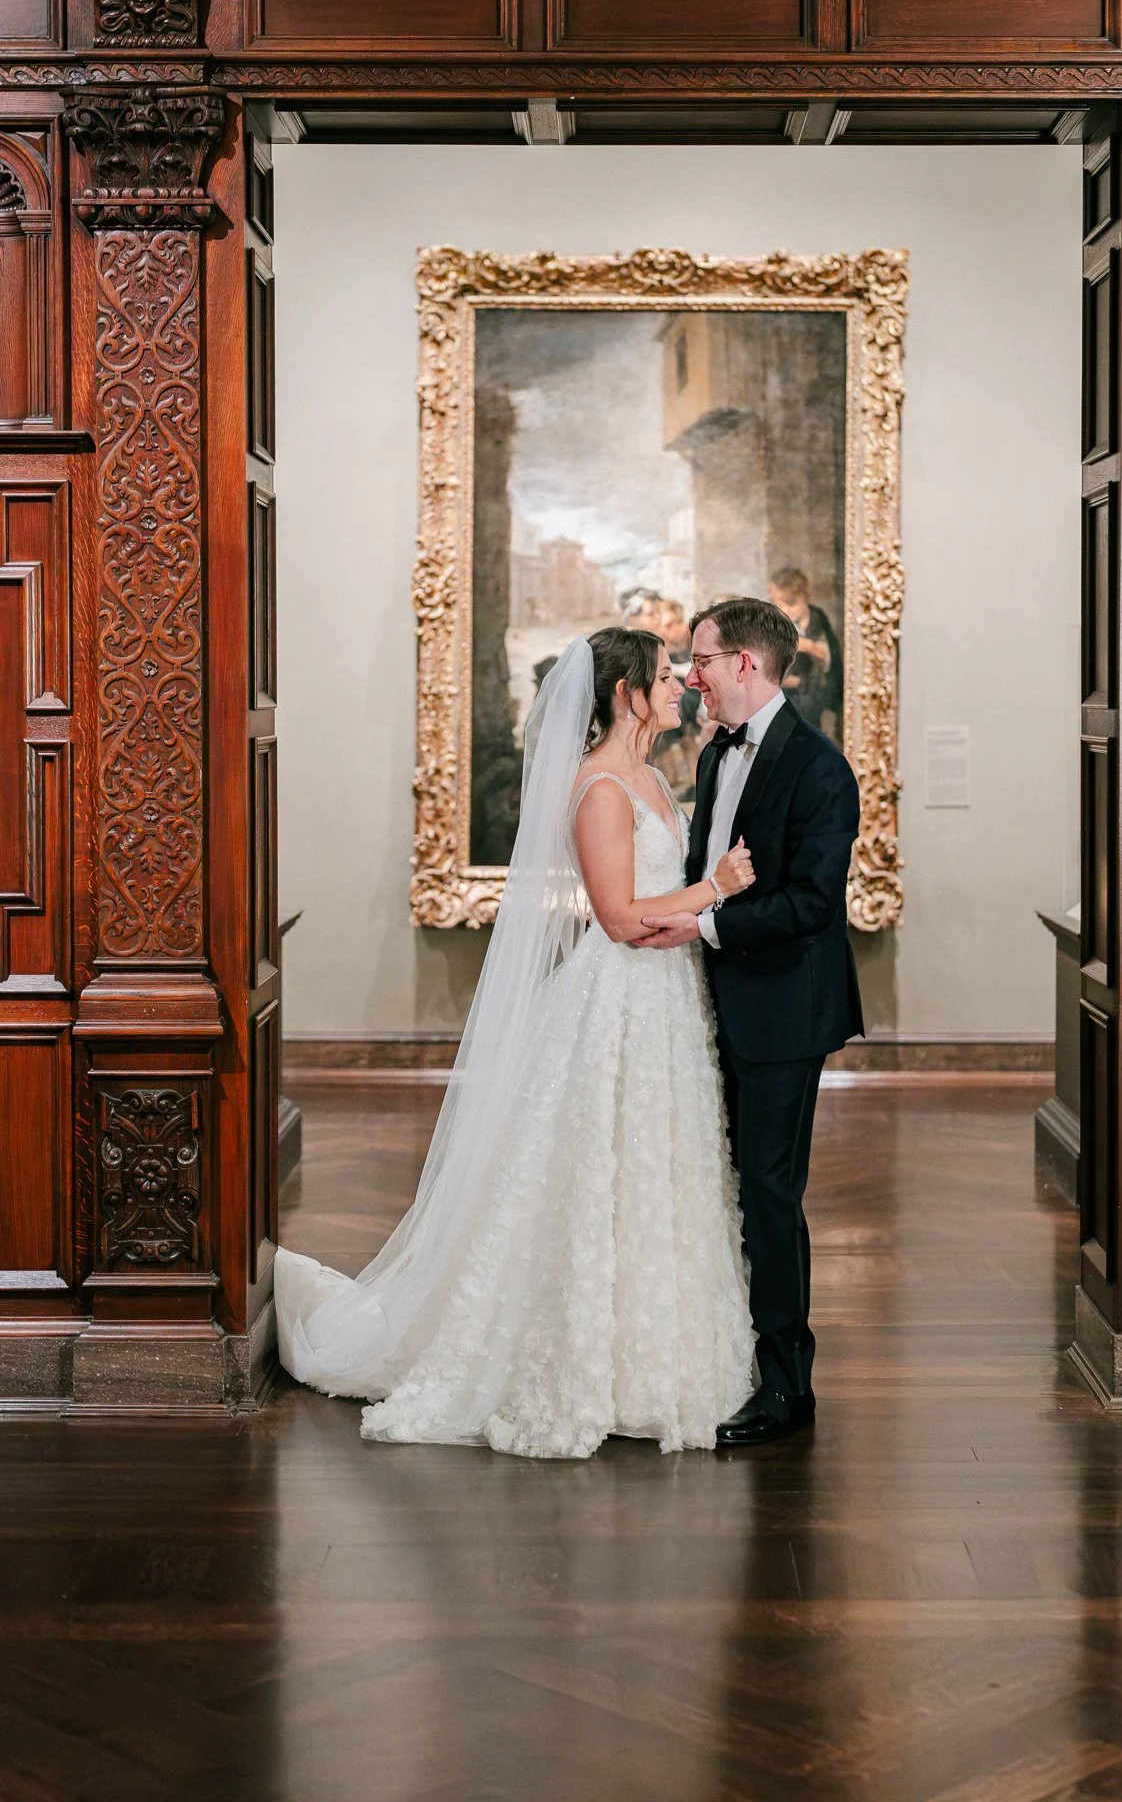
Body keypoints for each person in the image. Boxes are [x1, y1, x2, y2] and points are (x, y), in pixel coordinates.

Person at [274, 629, 755, 1456]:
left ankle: (651, 1360)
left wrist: (690, 906)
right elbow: (615, 916)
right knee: (593, 1173)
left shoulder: (653, 778)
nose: (678, 684)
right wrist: (714, 888)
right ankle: (572, 1362)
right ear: (623, 695)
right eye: (663, 676)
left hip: (667, 1000)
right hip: (615, 1003)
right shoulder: (601, 787)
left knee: (654, 1166)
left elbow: (654, 904)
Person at [637, 597, 863, 1448]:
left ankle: (784, 1384)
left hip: (780, 1011)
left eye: (700, 659)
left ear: (746, 666)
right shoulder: (716, 751)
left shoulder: (818, 768)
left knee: (769, 1194)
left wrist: (702, 925)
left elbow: (808, 904)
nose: (689, 675)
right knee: (718, 1185)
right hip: (711, 1003)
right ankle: (718, 1352)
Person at [768, 567, 843, 738]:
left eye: (792, 603)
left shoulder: (817, 618)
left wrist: (810, 647)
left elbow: (830, 657)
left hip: (814, 692)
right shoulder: (775, 622)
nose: (787, 610)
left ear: (805, 597)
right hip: (785, 692)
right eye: (780, 605)